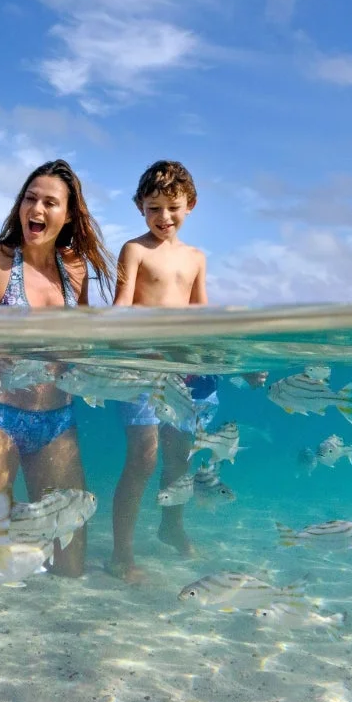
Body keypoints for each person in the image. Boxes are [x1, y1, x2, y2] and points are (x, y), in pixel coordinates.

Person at [0, 159, 113, 581]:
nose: (38, 210)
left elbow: (81, 344)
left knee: (71, 566)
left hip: (58, 422)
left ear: (68, 215)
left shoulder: (77, 270)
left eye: (50, 202)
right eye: (30, 198)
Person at [108, 160, 212, 579]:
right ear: (139, 207)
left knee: (178, 458)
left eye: (172, 207)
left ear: (191, 205)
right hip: (143, 370)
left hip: (182, 371)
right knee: (142, 460)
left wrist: (215, 357)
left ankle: (172, 527)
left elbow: (201, 315)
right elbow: (121, 306)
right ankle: (121, 553)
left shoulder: (196, 257)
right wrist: (116, 348)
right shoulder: (134, 250)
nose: (163, 217)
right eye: (153, 208)